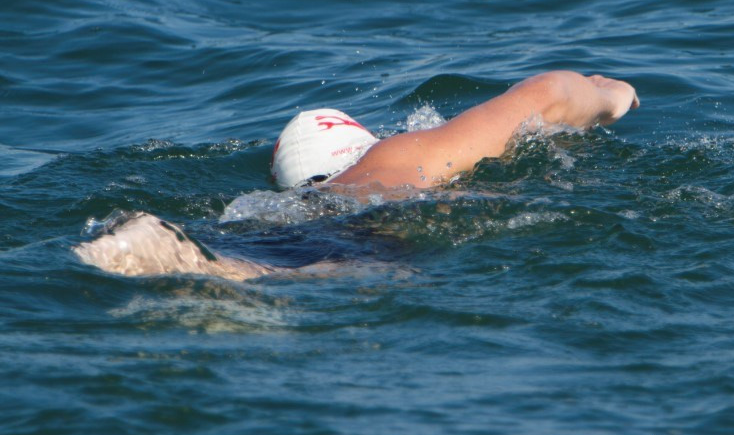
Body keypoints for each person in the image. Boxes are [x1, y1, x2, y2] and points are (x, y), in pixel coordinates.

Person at [74, 71, 639, 281]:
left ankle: (192, 259)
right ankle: (216, 271)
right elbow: (549, 92)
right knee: (358, 269)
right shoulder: (399, 157)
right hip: (363, 231)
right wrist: (610, 93)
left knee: (257, 263)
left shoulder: (289, 197)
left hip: (263, 231)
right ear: (358, 144)